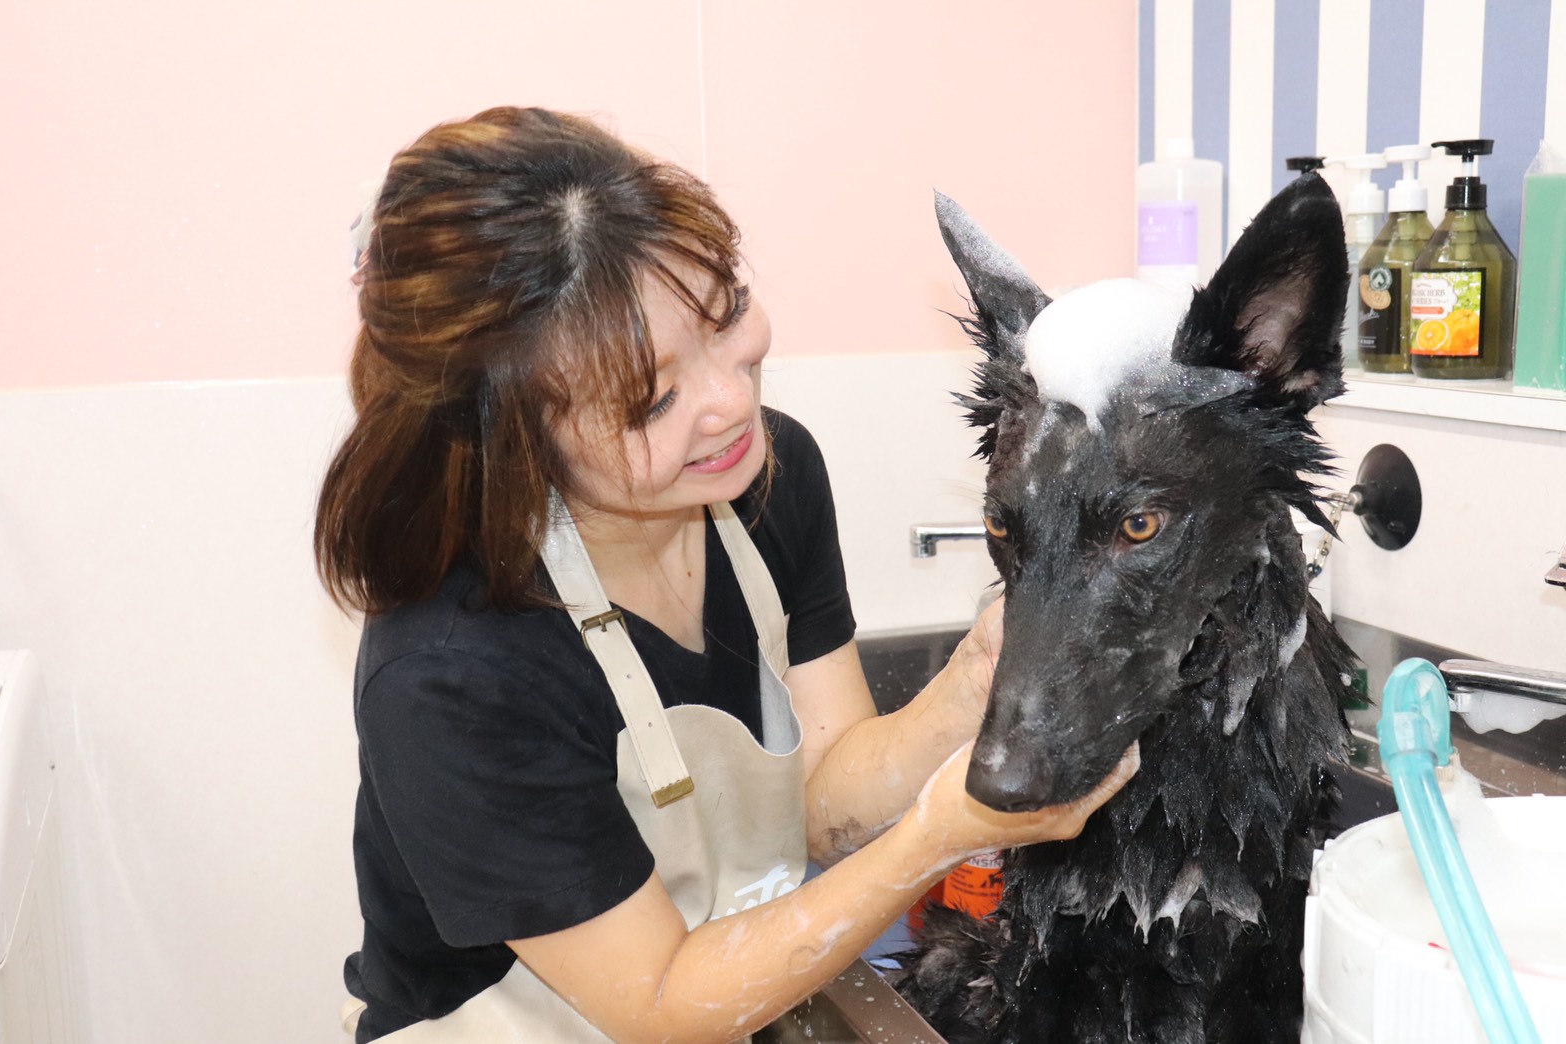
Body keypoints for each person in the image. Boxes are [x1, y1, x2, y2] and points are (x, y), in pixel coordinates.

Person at [316, 105, 1138, 1043]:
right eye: (652, 396)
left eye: (726, 314)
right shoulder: (453, 665)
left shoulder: (769, 482)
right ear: (512, 437)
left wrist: (967, 690)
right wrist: (938, 838)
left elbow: (821, 802)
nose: (730, 399)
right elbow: (659, 1002)